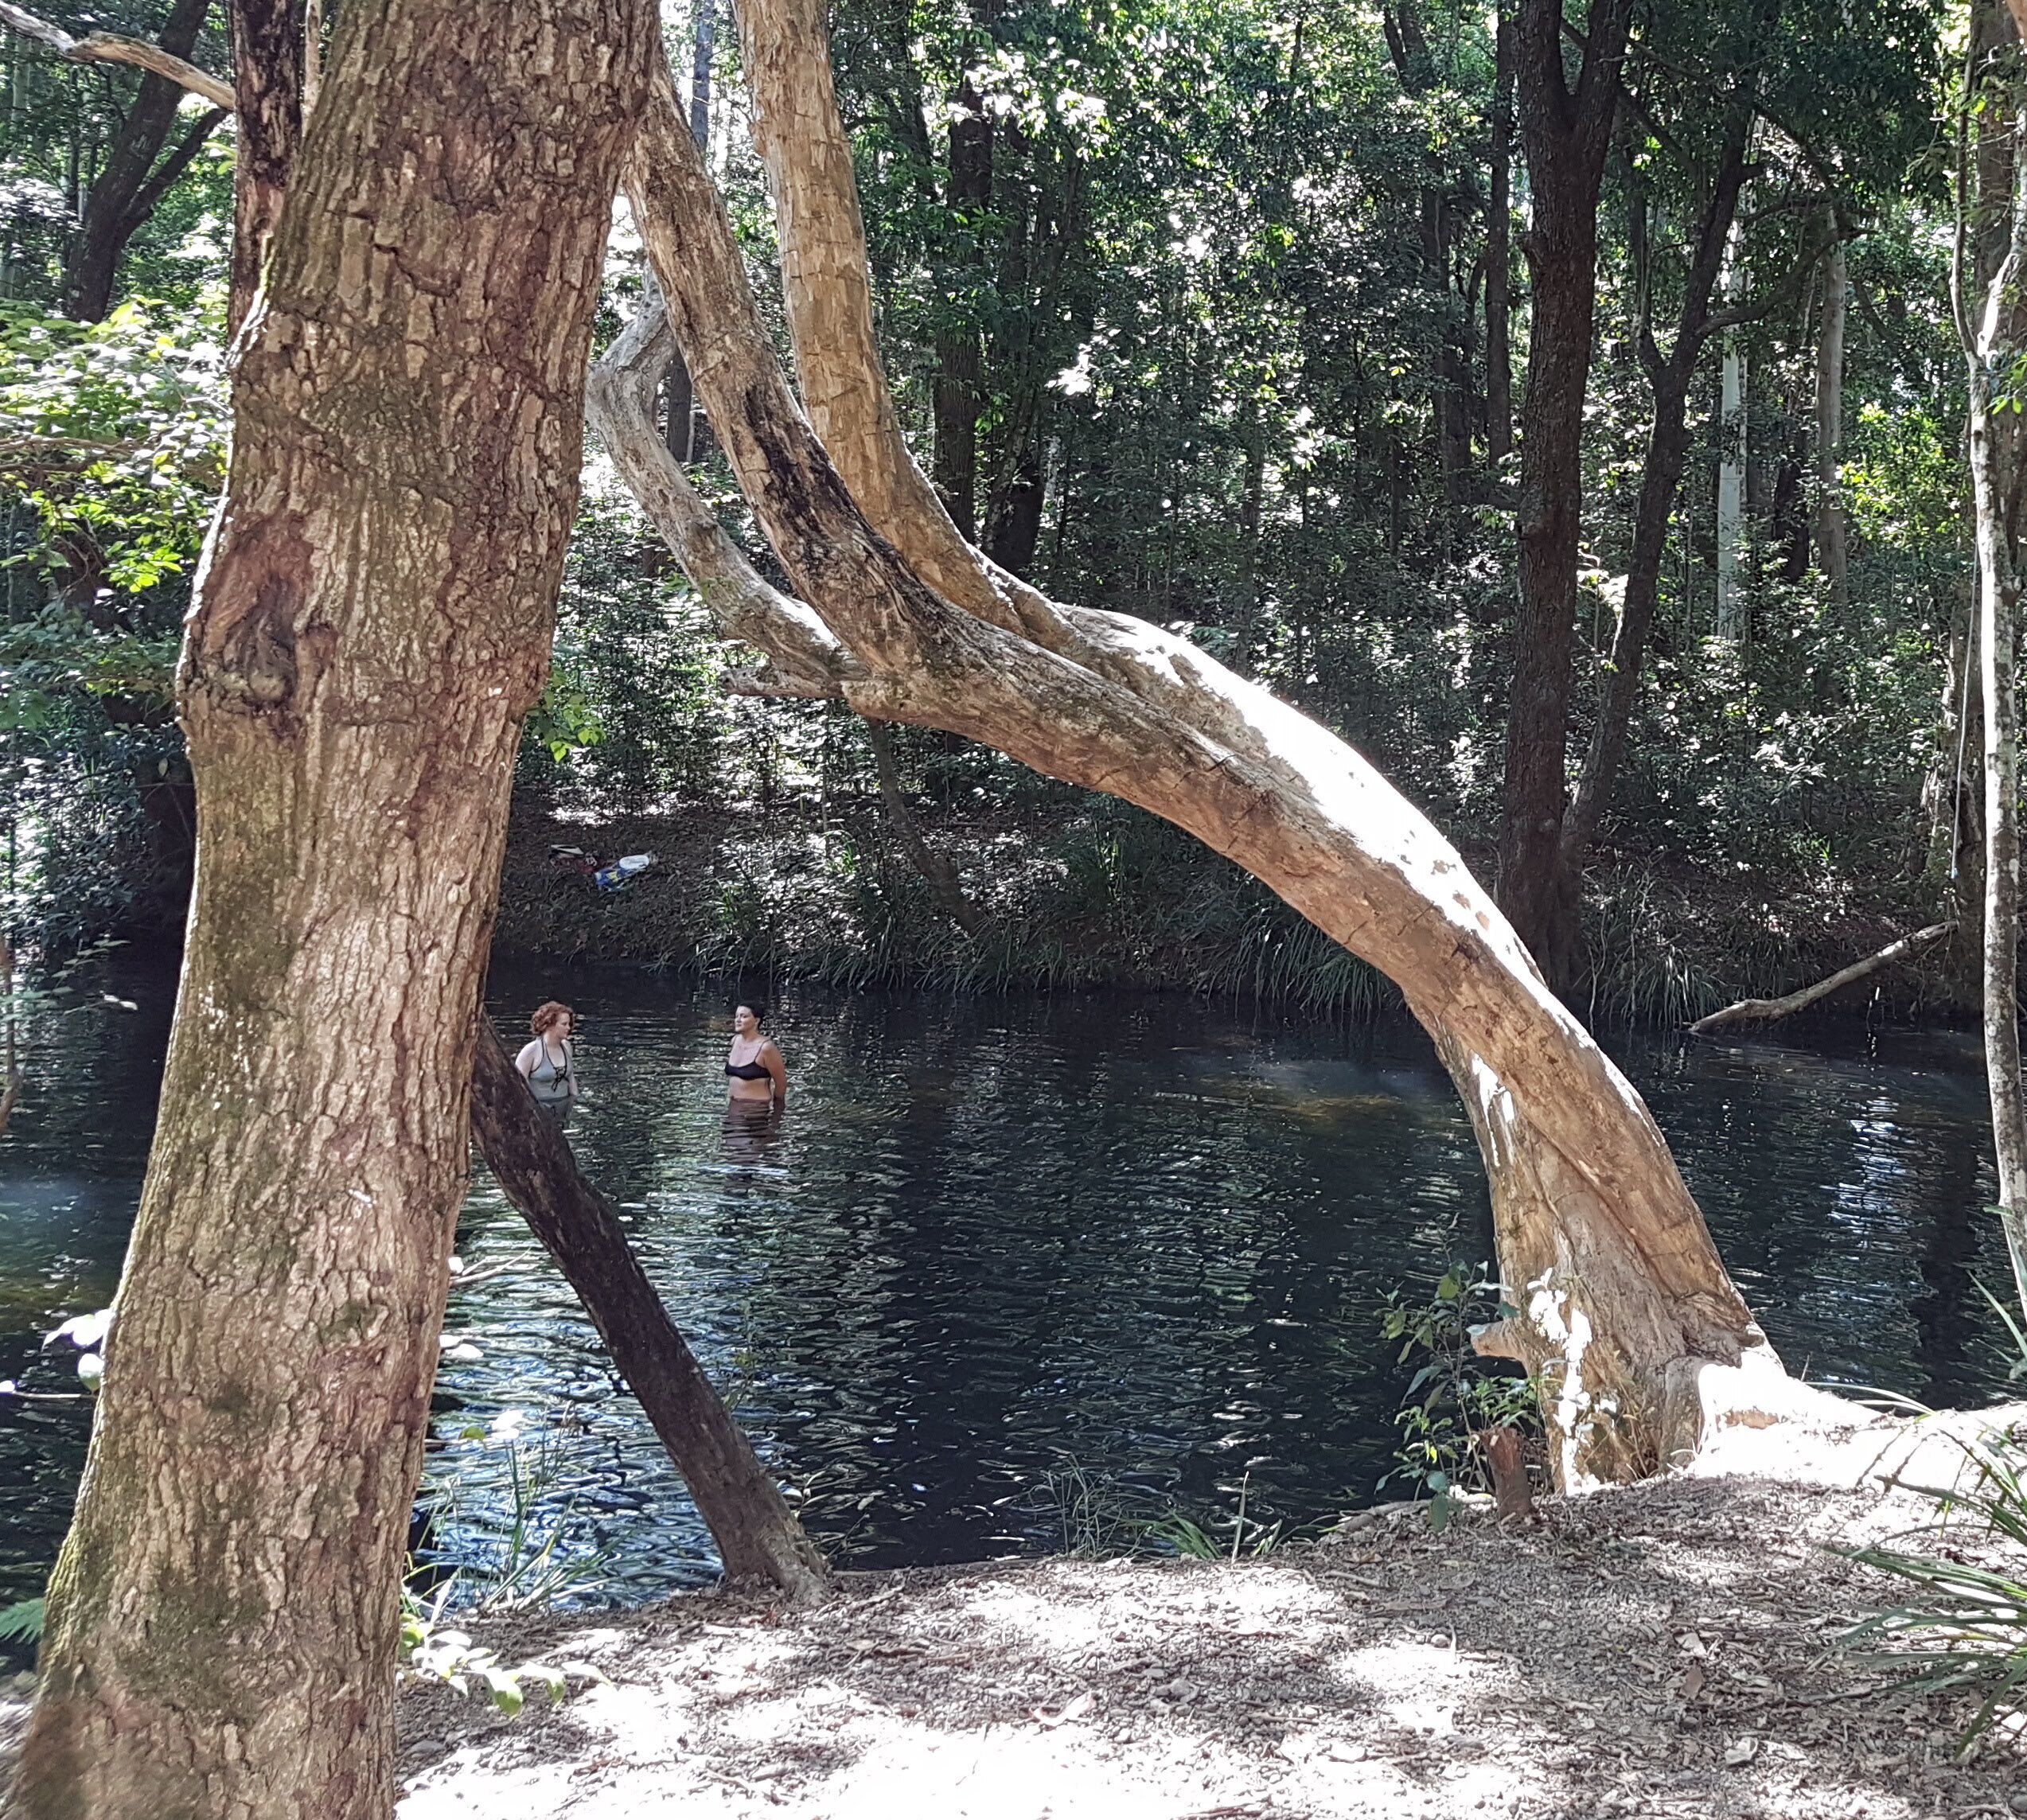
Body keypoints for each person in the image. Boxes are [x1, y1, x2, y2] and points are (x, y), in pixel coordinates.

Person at [515, 1000, 578, 1109]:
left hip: (564, 1106)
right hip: (540, 1108)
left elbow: (571, 1079)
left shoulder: (566, 1046)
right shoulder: (531, 1051)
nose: (568, 1028)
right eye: (564, 1024)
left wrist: (574, 1101)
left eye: (569, 1024)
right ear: (549, 1025)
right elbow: (518, 1084)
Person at [723, 1002, 787, 1107]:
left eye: (744, 1016)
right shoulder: (735, 1041)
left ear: (756, 1021)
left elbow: (781, 1084)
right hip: (733, 1105)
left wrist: (777, 1111)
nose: (738, 1020)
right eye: (736, 1016)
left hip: (756, 1108)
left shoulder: (766, 1048)